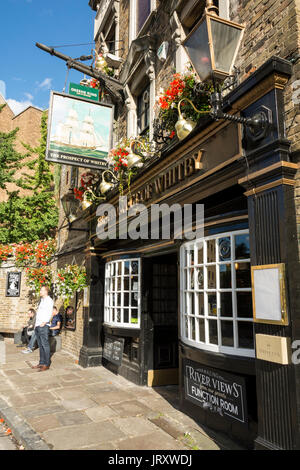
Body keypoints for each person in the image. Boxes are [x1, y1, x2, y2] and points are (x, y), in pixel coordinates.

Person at [32, 285, 53, 372]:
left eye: (41, 290)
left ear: (46, 291)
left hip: (43, 326)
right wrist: (36, 325)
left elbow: (49, 312)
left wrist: (45, 322)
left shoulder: (49, 300)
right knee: (40, 346)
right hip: (38, 326)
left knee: (45, 345)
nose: (40, 292)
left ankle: (46, 364)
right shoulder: (42, 300)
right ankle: (41, 362)